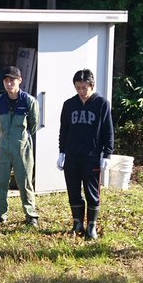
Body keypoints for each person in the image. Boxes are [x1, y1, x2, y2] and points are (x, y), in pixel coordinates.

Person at [57, 68, 114, 240]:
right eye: (78, 88)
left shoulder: (101, 104)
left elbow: (108, 131)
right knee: (73, 190)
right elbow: (64, 130)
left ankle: (91, 226)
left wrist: (107, 154)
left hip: (92, 156)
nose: (81, 91)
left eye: (84, 88)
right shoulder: (69, 104)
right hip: (72, 155)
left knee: (92, 192)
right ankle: (77, 223)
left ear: (92, 85)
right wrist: (62, 152)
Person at [0, 66, 39, 227]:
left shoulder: (29, 101)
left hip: (22, 145)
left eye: (12, 80)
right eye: (6, 80)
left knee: (25, 181)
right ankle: (1, 214)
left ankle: (31, 214)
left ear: (20, 80)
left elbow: (33, 124)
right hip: (3, 144)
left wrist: (21, 138)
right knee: (0, 181)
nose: (9, 83)